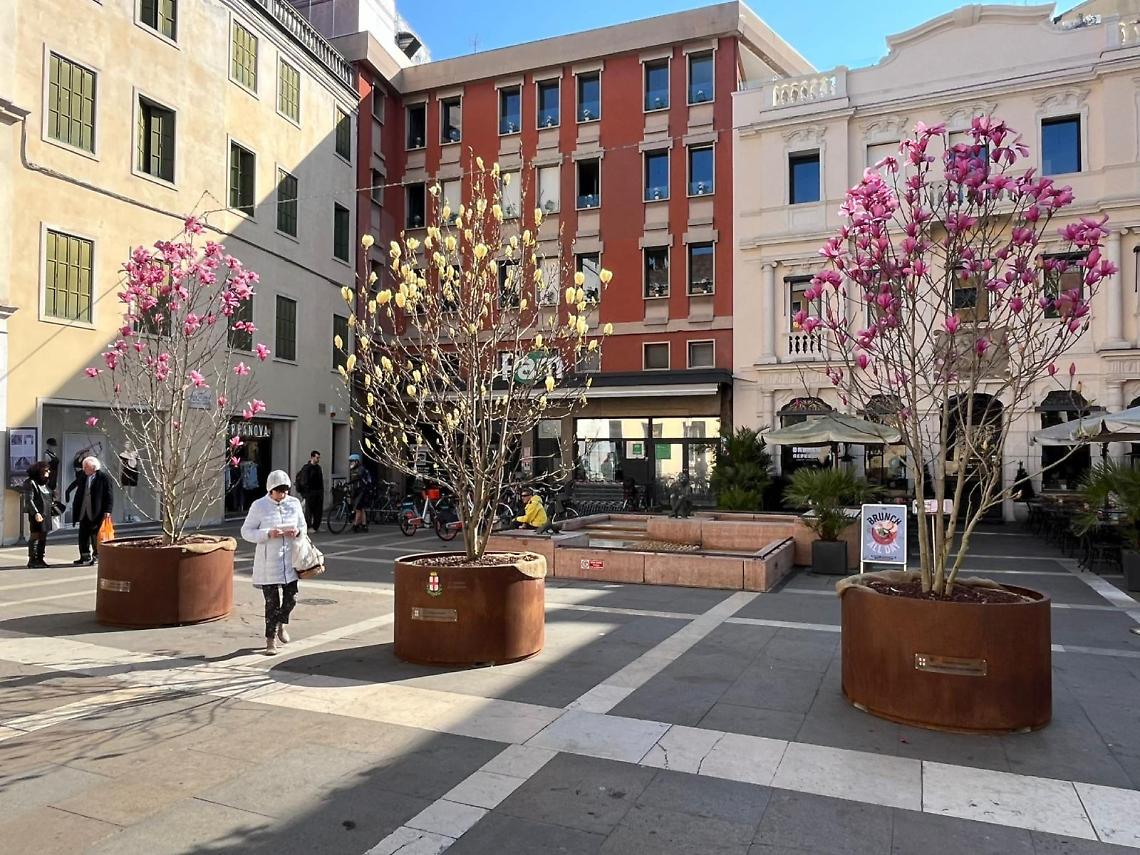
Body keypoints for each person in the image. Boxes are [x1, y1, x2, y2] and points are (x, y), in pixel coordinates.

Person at [241, 470, 306, 656]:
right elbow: (246, 531)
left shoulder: (294, 504)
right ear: (270, 490)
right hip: (267, 563)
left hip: (290, 560)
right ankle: (270, 640)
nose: (283, 495)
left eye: (285, 490)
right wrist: (267, 533)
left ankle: (280, 624)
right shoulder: (259, 506)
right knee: (271, 604)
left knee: (291, 599)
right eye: (279, 491)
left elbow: (303, 526)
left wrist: (298, 533)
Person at [70, 456, 113, 565]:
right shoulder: (83, 476)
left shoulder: (104, 478)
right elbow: (77, 488)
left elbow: (109, 495)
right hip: (83, 509)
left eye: (86, 467)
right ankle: (84, 556)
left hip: (97, 510)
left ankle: (97, 555)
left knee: (95, 534)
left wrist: (108, 510)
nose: (84, 469)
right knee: (83, 534)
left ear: (93, 468)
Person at [23, 461, 54, 568]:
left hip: (46, 513)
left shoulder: (44, 482)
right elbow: (29, 500)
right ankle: (33, 560)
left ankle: (40, 559)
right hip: (37, 513)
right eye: (46, 470)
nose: (48, 472)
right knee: (35, 536)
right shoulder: (30, 482)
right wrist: (35, 512)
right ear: (39, 471)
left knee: (43, 537)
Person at [296, 450, 325, 532]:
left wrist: (321, 492)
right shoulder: (306, 468)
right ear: (312, 457)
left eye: (319, 458)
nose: (318, 459)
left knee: (318, 511)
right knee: (309, 511)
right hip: (310, 493)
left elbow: (320, 480)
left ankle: (316, 526)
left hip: (318, 492)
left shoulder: (318, 468)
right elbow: (304, 481)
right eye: (317, 457)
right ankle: (309, 527)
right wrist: (306, 493)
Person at [348, 453, 372, 532]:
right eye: (350, 461)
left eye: (352, 461)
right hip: (357, 491)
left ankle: (355, 525)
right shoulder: (353, 469)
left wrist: (349, 482)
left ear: (357, 462)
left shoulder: (361, 469)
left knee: (358, 508)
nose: (351, 463)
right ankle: (364, 525)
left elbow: (357, 477)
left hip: (362, 491)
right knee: (361, 509)